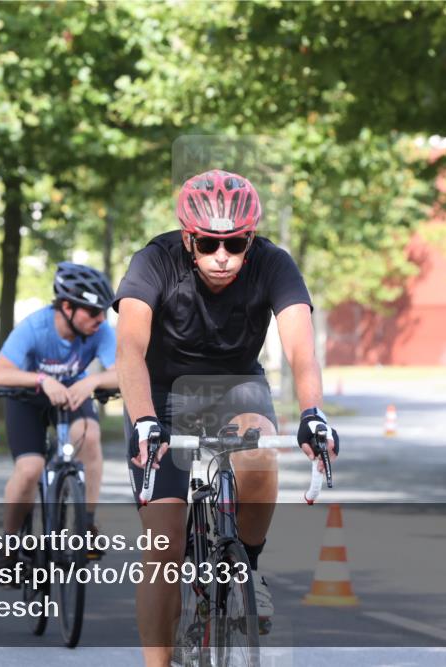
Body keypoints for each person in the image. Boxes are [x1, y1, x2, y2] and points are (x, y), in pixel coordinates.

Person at [114, 169, 339, 664]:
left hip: (237, 388)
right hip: (162, 396)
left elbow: (301, 347)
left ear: (250, 238)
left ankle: (248, 566)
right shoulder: (153, 260)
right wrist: (146, 421)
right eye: (211, 244)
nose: (223, 256)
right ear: (189, 239)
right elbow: (129, 350)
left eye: (236, 244)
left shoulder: (273, 263)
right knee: (162, 551)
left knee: (260, 453)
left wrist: (313, 413)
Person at [0, 262, 119, 573]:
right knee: (30, 468)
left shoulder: (101, 331)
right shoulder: (34, 328)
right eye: (93, 312)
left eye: (103, 312)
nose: (101, 319)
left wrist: (91, 381)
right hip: (29, 399)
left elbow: (123, 373)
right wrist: (40, 380)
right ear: (67, 307)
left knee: (88, 437)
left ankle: (86, 524)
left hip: (74, 394)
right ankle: (8, 546)